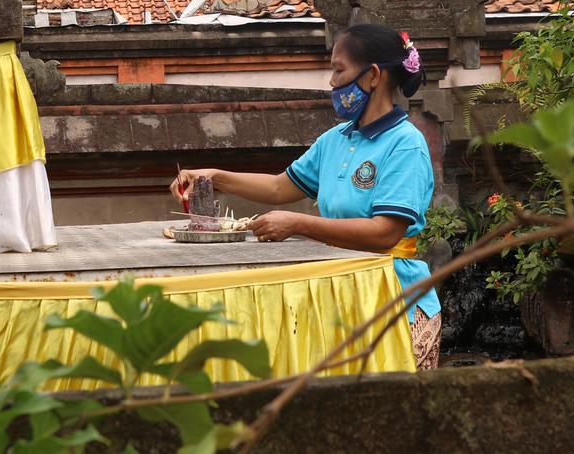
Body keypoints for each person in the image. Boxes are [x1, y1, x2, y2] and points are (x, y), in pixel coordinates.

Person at [171, 23, 442, 369]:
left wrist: (298, 223)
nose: (331, 82)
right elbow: (279, 187)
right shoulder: (335, 139)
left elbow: (386, 233)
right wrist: (213, 176)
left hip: (393, 299)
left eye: (338, 69)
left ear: (373, 76)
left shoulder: (406, 144)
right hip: (337, 295)